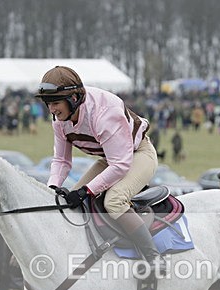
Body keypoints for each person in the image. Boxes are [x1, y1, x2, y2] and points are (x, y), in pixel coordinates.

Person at [35, 65, 165, 277]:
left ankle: (154, 257)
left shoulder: (105, 114)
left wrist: (86, 191)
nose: (52, 110)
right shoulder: (59, 122)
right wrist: (52, 188)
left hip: (138, 155)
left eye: (56, 103)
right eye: (48, 104)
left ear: (74, 98)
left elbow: (121, 165)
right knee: (67, 205)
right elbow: (61, 160)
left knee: (113, 201)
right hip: (110, 159)